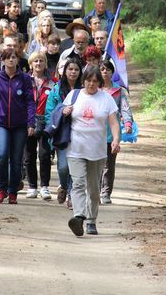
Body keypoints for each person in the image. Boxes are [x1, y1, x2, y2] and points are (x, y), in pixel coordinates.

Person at [62, 66, 120, 236]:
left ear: (100, 83)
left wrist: (116, 140)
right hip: (75, 148)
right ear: (83, 80)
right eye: (88, 80)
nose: (91, 84)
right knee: (78, 183)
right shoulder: (74, 96)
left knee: (94, 189)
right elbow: (61, 114)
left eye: (95, 81)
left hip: (97, 150)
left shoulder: (106, 98)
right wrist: (65, 111)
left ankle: (91, 220)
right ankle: (79, 217)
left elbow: (114, 122)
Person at [0, 48, 36, 204]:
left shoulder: (25, 78)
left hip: (20, 124)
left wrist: (31, 122)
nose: (12, 60)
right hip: (0, 122)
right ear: (3, 61)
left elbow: (30, 102)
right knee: (2, 155)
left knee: (16, 158)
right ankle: (2, 189)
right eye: (8, 57)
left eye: (14, 57)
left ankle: (13, 192)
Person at [45, 58, 83, 207]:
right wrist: (62, 112)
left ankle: (72, 195)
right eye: (70, 69)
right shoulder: (56, 90)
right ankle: (64, 186)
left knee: (75, 166)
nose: (73, 72)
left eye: (76, 69)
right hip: (62, 134)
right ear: (64, 71)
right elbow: (49, 113)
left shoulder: (85, 89)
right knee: (63, 167)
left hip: (80, 133)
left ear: (80, 72)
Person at [99, 60, 133, 205]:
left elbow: (124, 107)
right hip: (94, 133)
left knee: (109, 164)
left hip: (112, 133)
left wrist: (127, 122)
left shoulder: (118, 91)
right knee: (95, 164)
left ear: (112, 72)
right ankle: (95, 190)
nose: (105, 72)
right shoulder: (94, 89)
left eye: (107, 69)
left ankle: (106, 192)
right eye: (101, 69)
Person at [23, 52, 56, 200]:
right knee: (29, 155)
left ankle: (44, 186)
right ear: (30, 64)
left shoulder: (52, 82)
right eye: (35, 61)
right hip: (28, 120)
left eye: (41, 61)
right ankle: (32, 186)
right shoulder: (24, 80)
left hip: (46, 121)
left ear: (45, 64)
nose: (38, 63)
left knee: (44, 155)